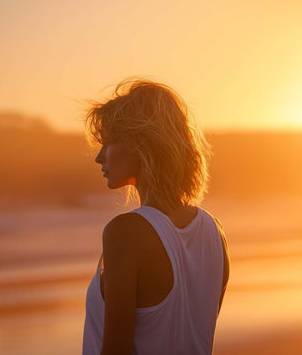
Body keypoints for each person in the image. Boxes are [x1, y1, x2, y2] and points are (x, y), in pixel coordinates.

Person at [82, 78, 230, 355]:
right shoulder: (215, 232)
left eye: (108, 143)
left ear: (141, 145)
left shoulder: (126, 233)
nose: (99, 157)